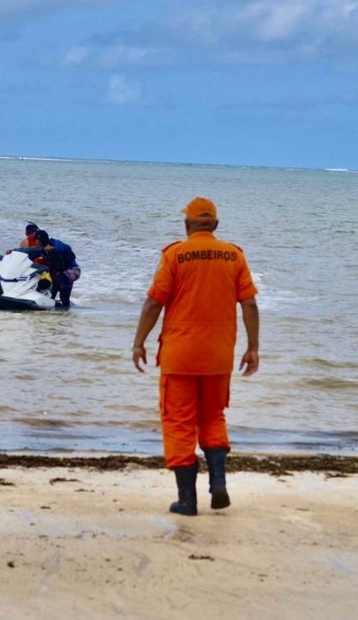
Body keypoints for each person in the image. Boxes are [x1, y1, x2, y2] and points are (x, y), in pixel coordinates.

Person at [131, 197, 259, 516]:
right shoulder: (234, 256)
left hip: (180, 355)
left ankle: (187, 500)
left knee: (179, 422)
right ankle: (218, 484)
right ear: (215, 225)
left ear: (187, 225)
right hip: (219, 356)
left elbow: (153, 303)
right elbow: (250, 305)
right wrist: (253, 347)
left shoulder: (174, 254)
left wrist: (138, 343)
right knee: (213, 416)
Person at [32, 229, 80, 309]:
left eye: (37, 240)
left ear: (41, 240)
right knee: (65, 301)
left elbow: (67, 247)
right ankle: (61, 317)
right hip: (63, 273)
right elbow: (29, 253)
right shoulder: (41, 249)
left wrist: (54, 248)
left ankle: (48, 302)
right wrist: (13, 251)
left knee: (54, 281)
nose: (36, 242)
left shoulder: (55, 243)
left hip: (73, 271)